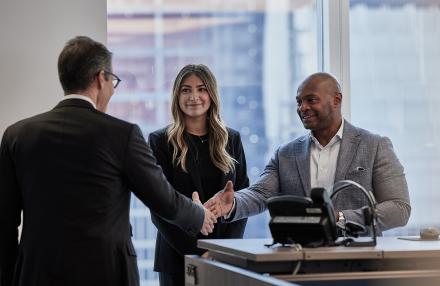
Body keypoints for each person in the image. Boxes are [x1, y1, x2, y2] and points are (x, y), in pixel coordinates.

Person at [0, 36, 217, 286]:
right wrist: (198, 214)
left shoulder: (17, 135)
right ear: (100, 78)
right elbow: (163, 200)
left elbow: (4, 223)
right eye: (113, 81)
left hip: (36, 273)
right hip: (106, 272)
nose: (112, 89)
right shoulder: (121, 135)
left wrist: (8, 279)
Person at [205, 72, 411, 234]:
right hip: (302, 262)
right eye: (299, 102)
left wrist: (340, 218)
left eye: (311, 100)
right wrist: (233, 203)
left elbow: (399, 208)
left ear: (336, 100)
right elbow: (260, 194)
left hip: (360, 261)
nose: (303, 107)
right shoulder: (285, 154)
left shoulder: (374, 146)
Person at [148, 64, 249, 286]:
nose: (194, 96)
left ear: (211, 94)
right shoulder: (160, 141)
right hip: (177, 257)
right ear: (177, 95)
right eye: (186, 90)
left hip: (224, 258)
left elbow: (242, 200)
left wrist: (223, 252)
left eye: (201, 89)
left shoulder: (232, 139)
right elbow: (158, 206)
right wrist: (196, 254)